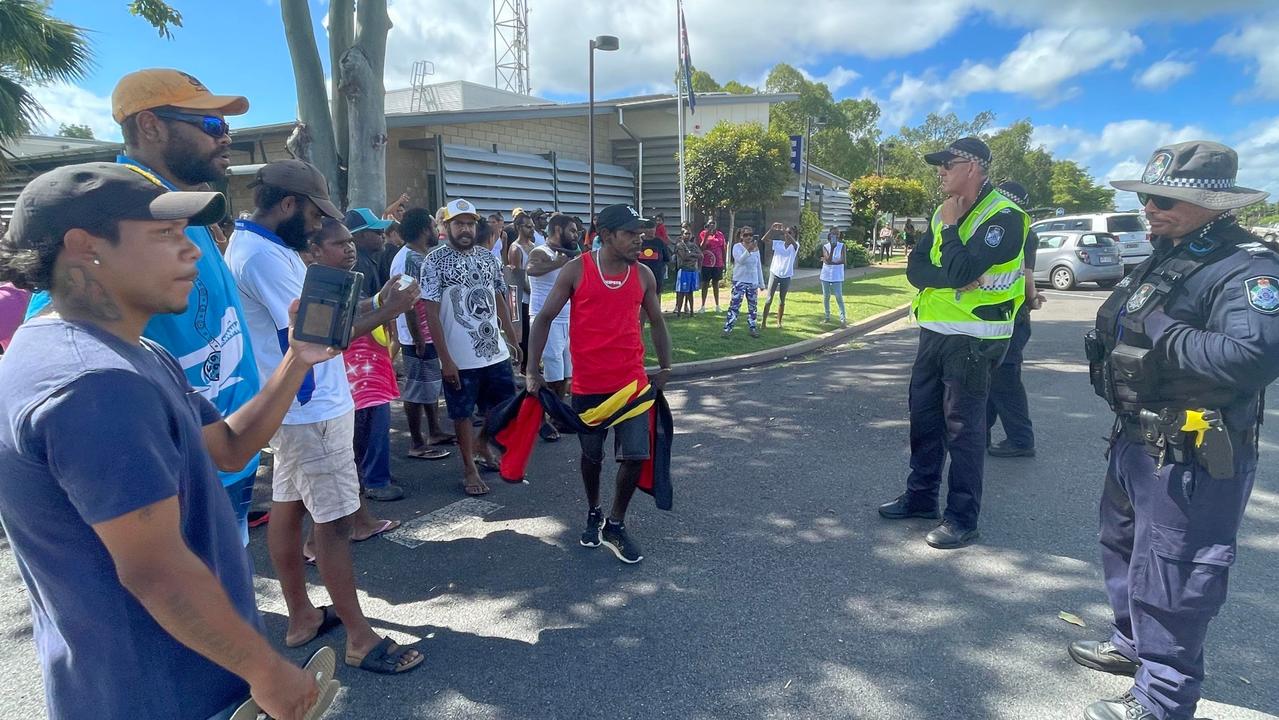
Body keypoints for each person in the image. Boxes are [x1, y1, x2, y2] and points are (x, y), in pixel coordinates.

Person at [0, 162, 333, 720]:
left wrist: (298, 358)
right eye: (165, 235)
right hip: (162, 690)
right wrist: (266, 670)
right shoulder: (95, 384)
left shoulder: (126, 352)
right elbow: (155, 569)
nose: (194, 252)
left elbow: (227, 446)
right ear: (85, 247)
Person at [1070, 141, 1279, 720]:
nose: (1150, 208)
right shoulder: (1170, 251)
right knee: (1125, 548)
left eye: (1165, 199)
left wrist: (1162, 325)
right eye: (1145, 196)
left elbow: (1253, 357)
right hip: (1138, 438)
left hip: (1194, 451)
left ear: (1213, 203)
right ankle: (1132, 645)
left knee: (1176, 570)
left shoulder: (1247, 267)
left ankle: (1162, 699)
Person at [22, 68, 265, 545]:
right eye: (211, 125)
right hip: (174, 477)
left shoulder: (182, 205)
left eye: (226, 127)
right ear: (150, 126)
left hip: (228, 457)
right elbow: (56, 343)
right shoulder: (118, 211)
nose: (226, 138)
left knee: (227, 582)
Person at [225, 159, 424, 675]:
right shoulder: (264, 258)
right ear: (289, 205)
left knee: (288, 505)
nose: (318, 228)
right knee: (333, 523)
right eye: (315, 216)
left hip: (298, 404)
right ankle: (359, 638)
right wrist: (392, 309)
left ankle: (301, 616)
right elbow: (321, 333)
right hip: (311, 405)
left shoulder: (264, 248)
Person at [879, 137, 1028, 549]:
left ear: (973, 167)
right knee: (923, 420)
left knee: (963, 431)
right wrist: (957, 275)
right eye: (939, 165)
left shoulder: (1005, 217)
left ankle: (962, 517)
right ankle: (921, 497)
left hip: (976, 338)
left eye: (948, 164)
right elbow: (915, 269)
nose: (940, 171)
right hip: (935, 333)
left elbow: (962, 262)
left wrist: (949, 229)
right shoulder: (940, 210)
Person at [525, 204, 673, 563]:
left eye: (640, 232)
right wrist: (532, 369)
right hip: (590, 386)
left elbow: (656, 321)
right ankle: (593, 509)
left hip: (632, 386)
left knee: (636, 456)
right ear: (605, 235)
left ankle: (616, 524)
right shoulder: (576, 271)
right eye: (629, 233)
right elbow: (544, 317)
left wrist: (666, 365)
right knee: (592, 457)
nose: (639, 239)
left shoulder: (643, 276)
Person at [422, 198, 523, 497]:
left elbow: (499, 298)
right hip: (460, 356)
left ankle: (482, 442)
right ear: (446, 226)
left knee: (504, 407)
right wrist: (445, 359)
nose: (465, 229)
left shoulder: (488, 257)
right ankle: (469, 467)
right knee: (462, 413)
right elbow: (430, 313)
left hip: (495, 350)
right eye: (458, 224)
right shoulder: (434, 261)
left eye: (469, 224)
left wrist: (513, 339)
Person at [340, 207, 407, 501]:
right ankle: (375, 480)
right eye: (374, 232)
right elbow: (353, 316)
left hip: (369, 360)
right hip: (362, 361)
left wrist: (382, 300)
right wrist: (389, 308)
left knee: (369, 420)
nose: (381, 236)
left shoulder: (367, 263)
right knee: (372, 421)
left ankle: (369, 476)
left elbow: (363, 305)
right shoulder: (360, 268)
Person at [986, 181, 1045, 458]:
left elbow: (1027, 276)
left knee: (1004, 379)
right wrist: (1032, 299)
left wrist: (1031, 298)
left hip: (1012, 318)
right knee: (991, 377)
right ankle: (979, 432)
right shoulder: (1023, 231)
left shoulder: (1019, 232)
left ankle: (1021, 440)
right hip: (1007, 317)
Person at [391, 207, 454, 458]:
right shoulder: (409, 258)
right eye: (432, 226)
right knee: (417, 387)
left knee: (428, 385)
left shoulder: (419, 254)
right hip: (418, 335)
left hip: (426, 332)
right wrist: (417, 337)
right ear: (423, 229)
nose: (436, 230)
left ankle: (435, 430)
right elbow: (407, 301)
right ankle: (417, 443)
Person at [525, 213, 581, 442]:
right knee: (550, 375)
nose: (576, 235)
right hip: (545, 322)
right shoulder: (540, 252)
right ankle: (540, 421)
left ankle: (557, 416)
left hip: (567, 320)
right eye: (572, 231)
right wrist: (556, 263)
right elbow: (530, 269)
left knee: (565, 374)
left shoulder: (569, 256)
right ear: (557, 230)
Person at [508, 212, 537, 373]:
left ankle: (531, 363)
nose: (532, 229)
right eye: (528, 226)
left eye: (532, 226)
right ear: (519, 227)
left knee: (533, 334)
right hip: (523, 299)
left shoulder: (533, 246)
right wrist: (531, 290)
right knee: (524, 334)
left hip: (534, 297)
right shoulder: (515, 248)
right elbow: (517, 277)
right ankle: (523, 365)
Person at [722, 226, 764, 338]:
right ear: (741, 236)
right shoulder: (737, 247)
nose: (749, 237)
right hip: (740, 281)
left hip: (752, 281)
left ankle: (753, 328)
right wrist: (748, 250)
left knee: (753, 308)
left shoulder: (756, 249)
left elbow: (758, 266)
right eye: (746, 235)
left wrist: (761, 283)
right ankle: (728, 328)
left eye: (750, 234)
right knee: (735, 306)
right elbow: (740, 260)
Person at [761, 223, 799, 328]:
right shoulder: (778, 243)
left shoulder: (795, 246)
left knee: (782, 300)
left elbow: (795, 244)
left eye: (790, 233)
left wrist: (785, 231)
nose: (786, 235)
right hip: (775, 273)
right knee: (769, 299)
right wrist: (771, 229)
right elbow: (764, 240)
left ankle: (779, 322)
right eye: (786, 233)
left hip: (786, 276)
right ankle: (763, 322)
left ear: (794, 234)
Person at [698, 220, 726, 312]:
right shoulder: (703, 233)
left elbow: (723, 248)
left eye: (714, 223)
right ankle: (702, 306)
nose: (712, 225)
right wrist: (707, 235)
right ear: (707, 224)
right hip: (707, 262)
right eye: (710, 223)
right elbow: (701, 247)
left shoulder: (720, 234)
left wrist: (724, 262)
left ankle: (717, 305)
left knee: (715, 283)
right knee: (705, 283)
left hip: (718, 262)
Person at [673, 226, 702, 317]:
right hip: (683, 270)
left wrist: (691, 254)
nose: (687, 235)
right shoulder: (679, 245)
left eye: (689, 233)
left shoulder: (693, 245)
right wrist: (693, 256)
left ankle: (692, 311)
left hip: (692, 270)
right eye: (685, 233)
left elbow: (700, 255)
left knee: (690, 292)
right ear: (682, 235)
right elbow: (684, 257)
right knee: (681, 291)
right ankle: (679, 312)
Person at [820, 231, 848, 325]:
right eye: (832, 237)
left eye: (835, 237)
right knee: (826, 296)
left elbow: (843, 260)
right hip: (826, 275)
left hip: (837, 275)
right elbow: (828, 259)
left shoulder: (842, 246)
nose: (834, 239)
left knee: (838, 296)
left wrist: (830, 262)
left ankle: (843, 318)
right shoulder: (825, 246)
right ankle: (827, 316)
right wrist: (832, 248)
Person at [638, 227, 672, 302]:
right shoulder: (639, 242)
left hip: (657, 274)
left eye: (652, 228)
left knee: (656, 294)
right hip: (641, 274)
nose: (650, 230)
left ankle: (657, 311)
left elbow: (666, 258)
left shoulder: (659, 242)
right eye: (648, 228)